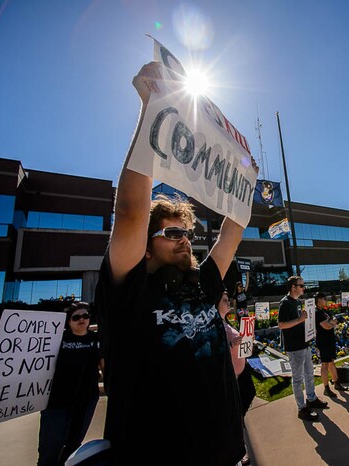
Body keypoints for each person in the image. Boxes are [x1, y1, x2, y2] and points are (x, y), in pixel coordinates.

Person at [93, 62, 253, 464]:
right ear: (145, 247)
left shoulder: (203, 282)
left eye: (186, 233)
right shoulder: (129, 289)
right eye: (171, 234)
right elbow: (131, 211)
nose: (185, 240)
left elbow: (232, 233)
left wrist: (245, 176)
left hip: (228, 453)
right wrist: (153, 108)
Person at [0, 302, 103, 466]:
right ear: (69, 321)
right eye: (76, 317)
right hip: (56, 402)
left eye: (85, 316)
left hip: (86, 401)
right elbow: (21, 362)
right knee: (49, 450)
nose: (81, 320)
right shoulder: (53, 339)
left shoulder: (97, 339)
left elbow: (104, 366)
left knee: (73, 447)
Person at [278, 276, 329, 421]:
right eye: (301, 285)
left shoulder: (297, 302)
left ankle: (311, 399)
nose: (303, 288)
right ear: (293, 287)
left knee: (309, 374)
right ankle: (302, 408)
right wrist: (300, 320)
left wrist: (310, 329)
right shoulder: (285, 303)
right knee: (298, 378)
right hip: (294, 347)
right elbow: (281, 325)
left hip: (304, 344)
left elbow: (300, 322)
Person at [217, 291, 255, 466]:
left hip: (240, 371)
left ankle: (238, 427)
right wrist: (232, 344)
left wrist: (247, 341)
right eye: (225, 300)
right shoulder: (215, 325)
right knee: (233, 414)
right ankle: (239, 450)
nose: (229, 302)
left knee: (247, 396)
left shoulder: (226, 322)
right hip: (231, 375)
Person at [314, 292, 349, 398]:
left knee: (331, 362)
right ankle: (326, 388)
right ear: (319, 300)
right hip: (323, 340)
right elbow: (327, 326)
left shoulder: (325, 311)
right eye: (324, 298)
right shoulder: (317, 313)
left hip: (329, 339)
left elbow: (333, 320)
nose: (326, 300)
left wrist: (332, 322)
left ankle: (336, 382)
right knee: (325, 364)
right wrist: (332, 323)